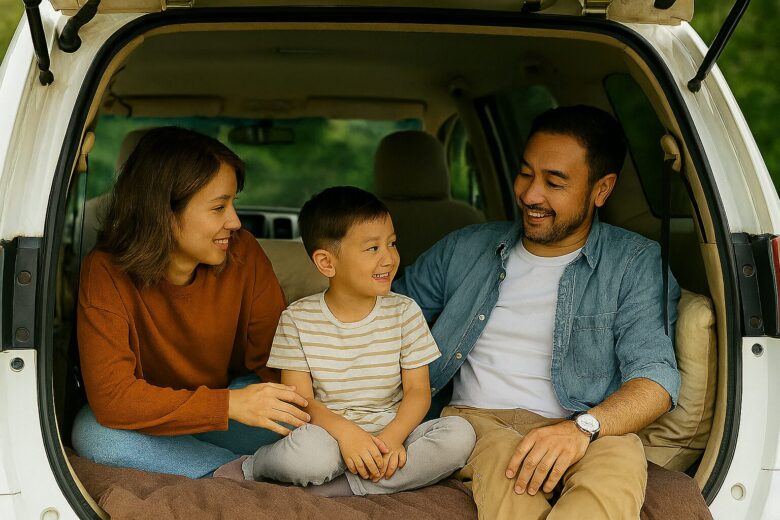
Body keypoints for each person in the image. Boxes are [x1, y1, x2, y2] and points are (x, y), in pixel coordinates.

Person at [393, 105, 681, 519]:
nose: (530, 195)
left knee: (621, 455)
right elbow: (385, 320)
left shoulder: (633, 263)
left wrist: (583, 429)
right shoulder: (464, 247)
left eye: (555, 182)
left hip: (583, 426)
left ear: (601, 190)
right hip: (478, 423)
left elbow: (656, 378)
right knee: (510, 470)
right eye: (526, 173)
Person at [72, 127, 310, 479]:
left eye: (233, 203)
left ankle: (211, 460)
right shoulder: (104, 271)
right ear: (164, 213)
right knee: (94, 432)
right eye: (218, 208)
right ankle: (236, 471)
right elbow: (114, 398)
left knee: (294, 415)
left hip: (229, 410)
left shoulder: (243, 252)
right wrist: (226, 405)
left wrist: (302, 413)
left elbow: (275, 362)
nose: (235, 221)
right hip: (154, 416)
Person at [219, 186, 475, 496]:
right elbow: (302, 402)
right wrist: (348, 435)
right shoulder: (297, 319)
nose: (390, 257)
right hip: (327, 435)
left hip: (390, 433)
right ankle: (254, 467)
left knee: (459, 435)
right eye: (372, 248)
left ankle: (341, 488)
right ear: (327, 263)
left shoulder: (405, 311)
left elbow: (419, 392)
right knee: (310, 457)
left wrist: (393, 438)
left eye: (392, 243)